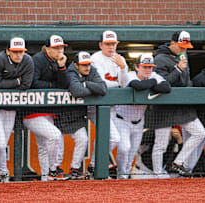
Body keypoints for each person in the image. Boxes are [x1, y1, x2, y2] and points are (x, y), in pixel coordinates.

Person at [150, 30, 205, 177]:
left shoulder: (183, 56)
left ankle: (179, 163)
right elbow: (162, 83)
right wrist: (178, 69)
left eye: (186, 46)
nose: (184, 49)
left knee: (200, 133)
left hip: (181, 106)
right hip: (165, 105)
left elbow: (186, 82)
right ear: (173, 43)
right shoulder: (160, 58)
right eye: (181, 46)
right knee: (161, 144)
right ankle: (158, 174)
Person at [115, 54, 171, 179]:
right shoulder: (130, 75)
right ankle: (120, 175)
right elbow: (138, 86)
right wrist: (153, 83)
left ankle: (124, 177)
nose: (147, 70)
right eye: (144, 67)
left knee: (132, 153)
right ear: (136, 67)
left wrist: (151, 82)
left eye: (150, 67)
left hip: (139, 121)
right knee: (125, 148)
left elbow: (167, 87)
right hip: (122, 119)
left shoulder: (154, 75)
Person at [0, 37, 34, 182]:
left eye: (21, 51)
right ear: (8, 51)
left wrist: (7, 83)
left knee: (2, 144)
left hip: (11, 108)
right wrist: (16, 81)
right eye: (15, 52)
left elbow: (26, 85)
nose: (19, 55)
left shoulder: (28, 61)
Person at [22, 34, 69, 181]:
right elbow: (32, 83)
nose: (59, 51)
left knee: (44, 146)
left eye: (61, 47)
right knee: (54, 136)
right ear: (47, 48)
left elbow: (65, 84)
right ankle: (53, 169)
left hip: (48, 111)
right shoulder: (37, 59)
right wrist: (53, 87)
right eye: (55, 48)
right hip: (32, 111)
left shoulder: (58, 61)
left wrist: (62, 67)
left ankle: (45, 179)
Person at [88, 30, 128, 174]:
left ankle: (94, 165)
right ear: (101, 45)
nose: (111, 47)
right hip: (96, 106)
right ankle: (94, 163)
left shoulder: (119, 59)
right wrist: (116, 84)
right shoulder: (95, 59)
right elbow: (101, 84)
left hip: (113, 107)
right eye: (107, 44)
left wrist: (123, 68)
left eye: (113, 44)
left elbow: (124, 84)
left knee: (111, 138)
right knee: (114, 137)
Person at [63, 51, 107, 179]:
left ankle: (74, 170)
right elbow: (77, 91)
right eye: (83, 65)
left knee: (83, 139)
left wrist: (86, 84)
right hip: (63, 114)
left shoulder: (91, 70)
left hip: (77, 114)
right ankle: (52, 172)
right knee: (55, 145)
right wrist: (92, 89)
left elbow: (103, 89)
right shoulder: (70, 72)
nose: (87, 67)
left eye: (88, 64)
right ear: (76, 65)